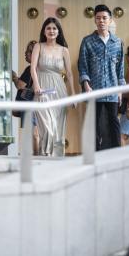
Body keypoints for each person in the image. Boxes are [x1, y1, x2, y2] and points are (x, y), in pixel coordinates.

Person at [78, 4, 125, 150]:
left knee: (114, 123)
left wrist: (120, 90)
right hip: (94, 90)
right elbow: (83, 66)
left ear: (110, 20)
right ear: (94, 20)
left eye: (104, 18)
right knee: (94, 124)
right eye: (98, 18)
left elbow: (120, 69)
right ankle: (94, 155)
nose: (101, 21)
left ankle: (116, 153)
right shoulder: (87, 41)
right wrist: (86, 85)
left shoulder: (117, 43)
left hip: (112, 90)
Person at [30, 18, 76, 157]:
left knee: (57, 129)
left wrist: (73, 94)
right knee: (47, 128)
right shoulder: (39, 46)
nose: (51, 31)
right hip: (42, 90)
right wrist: (36, 86)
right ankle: (45, 156)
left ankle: (56, 161)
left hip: (59, 90)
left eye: (54, 28)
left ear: (58, 31)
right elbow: (32, 68)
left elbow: (69, 73)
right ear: (44, 31)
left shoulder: (64, 50)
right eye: (48, 28)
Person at [12, 40, 39, 153]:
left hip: (28, 105)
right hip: (34, 105)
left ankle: (34, 157)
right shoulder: (38, 68)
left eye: (28, 51)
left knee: (31, 133)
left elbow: (20, 85)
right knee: (34, 132)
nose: (25, 53)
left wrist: (14, 77)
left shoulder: (30, 69)